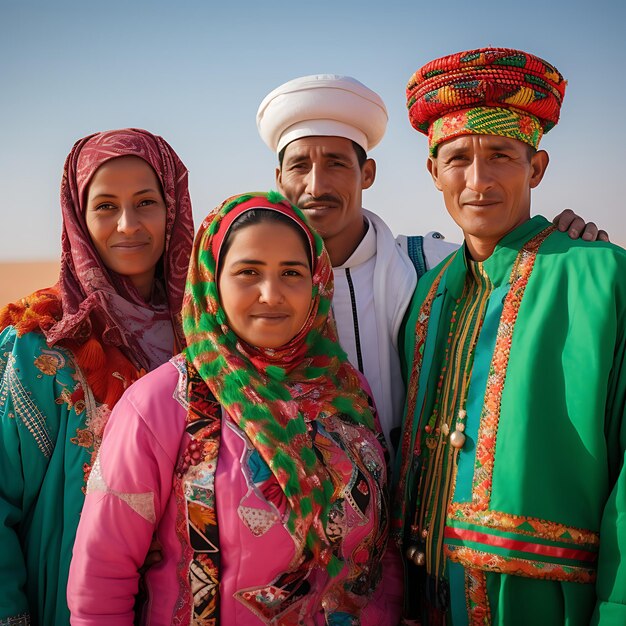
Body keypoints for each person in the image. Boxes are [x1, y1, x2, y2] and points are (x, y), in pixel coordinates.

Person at [67, 192, 402, 625]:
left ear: (317, 280)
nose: (271, 293)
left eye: (291, 272)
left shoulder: (345, 390)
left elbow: (382, 550)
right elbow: (102, 579)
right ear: (212, 281)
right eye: (248, 272)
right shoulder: (163, 403)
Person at [393, 47, 626, 625]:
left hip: (553, 605)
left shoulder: (603, 278)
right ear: (433, 172)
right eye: (457, 159)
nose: (478, 180)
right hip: (427, 597)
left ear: (537, 168)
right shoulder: (426, 293)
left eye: (500, 155)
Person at [256, 74, 608, 456]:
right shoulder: (256, 290)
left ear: (368, 174)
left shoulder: (431, 269)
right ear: (278, 179)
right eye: (298, 167)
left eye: (337, 164)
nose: (316, 186)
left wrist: (569, 249)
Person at [0, 128, 194, 626]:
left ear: (173, 206)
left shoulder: (208, 340)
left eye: (146, 201)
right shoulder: (41, 346)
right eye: (105, 206)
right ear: (78, 217)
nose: (128, 224)